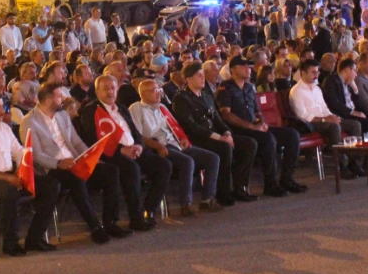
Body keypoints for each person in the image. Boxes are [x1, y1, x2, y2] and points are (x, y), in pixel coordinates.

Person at [20, 83, 128, 245]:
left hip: (75, 161)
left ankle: (110, 222)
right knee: (76, 179)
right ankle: (94, 227)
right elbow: (34, 154)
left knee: (110, 170)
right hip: (52, 167)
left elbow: (76, 142)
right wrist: (58, 163)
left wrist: (90, 156)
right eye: (59, 96)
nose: (63, 99)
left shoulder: (62, 115)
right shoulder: (29, 121)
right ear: (48, 100)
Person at [0, 92, 61, 256]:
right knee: (10, 192)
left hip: (10, 175)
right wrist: (6, 177)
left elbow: (18, 151)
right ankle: (10, 243)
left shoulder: (4, 128)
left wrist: (22, 166)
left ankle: (35, 238)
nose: (3, 110)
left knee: (51, 185)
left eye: (3, 106)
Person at [79, 75, 171, 231]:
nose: (110, 92)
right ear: (97, 90)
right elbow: (92, 138)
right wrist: (121, 150)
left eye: (113, 88)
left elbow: (135, 132)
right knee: (131, 169)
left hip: (134, 149)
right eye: (106, 88)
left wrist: (139, 146)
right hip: (110, 153)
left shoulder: (121, 108)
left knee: (164, 165)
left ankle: (148, 209)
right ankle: (136, 217)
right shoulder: (91, 110)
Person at [216, 56, 307, 197]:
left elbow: (257, 111)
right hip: (239, 130)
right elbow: (226, 115)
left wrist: (262, 122)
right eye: (243, 66)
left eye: (248, 66)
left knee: (292, 134)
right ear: (233, 70)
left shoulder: (248, 87)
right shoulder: (225, 88)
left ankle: (287, 179)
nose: (248, 69)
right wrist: (251, 127)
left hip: (255, 128)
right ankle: (270, 184)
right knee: (268, 139)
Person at [129, 79, 222, 216]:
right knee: (187, 161)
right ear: (143, 93)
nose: (159, 93)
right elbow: (137, 135)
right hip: (159, 146)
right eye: (155, 91)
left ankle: (207, 199)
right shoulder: (136, 108)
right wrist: (157, 145)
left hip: (175, 143)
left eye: (160, 90)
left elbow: (175, 127)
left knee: (212, 158)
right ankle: (185, 204)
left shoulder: (162, 107)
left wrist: (183, 139)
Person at [288, 60, 367, 179]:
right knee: (334, 127)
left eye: (318, 72)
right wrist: (326, 120)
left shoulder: (316, 89)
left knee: (355, 124)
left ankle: (353, 162)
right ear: (303, 73)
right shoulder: (297, 91)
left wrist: (332, 116)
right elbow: (302, 115)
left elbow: (324, 108)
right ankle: (341, 166)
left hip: (324, 119)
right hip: (310, 123)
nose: (316, 75)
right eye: (313, 72)